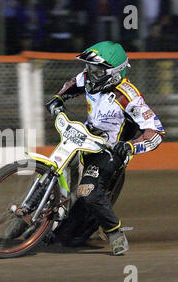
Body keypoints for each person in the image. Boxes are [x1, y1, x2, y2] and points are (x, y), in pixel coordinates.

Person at [44, 41, 165, 255]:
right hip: (85, 138)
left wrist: (129, 147)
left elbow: (156, 133)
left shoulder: (129, 96)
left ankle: (115, 233)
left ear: (114, 74)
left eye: (96, 70)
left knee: (86, 195)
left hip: (108, 153)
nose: (90, 74)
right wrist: (58, 98)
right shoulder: (89, 78)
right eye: (90, 68)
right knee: (53, 170)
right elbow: (74, 82)